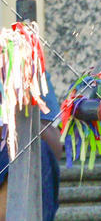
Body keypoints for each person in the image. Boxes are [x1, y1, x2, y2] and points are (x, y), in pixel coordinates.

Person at [0, 72, 61, 221]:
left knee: (38, 151)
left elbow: (55, 149)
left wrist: (24, 111)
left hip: (12, 158)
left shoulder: (28, 64)